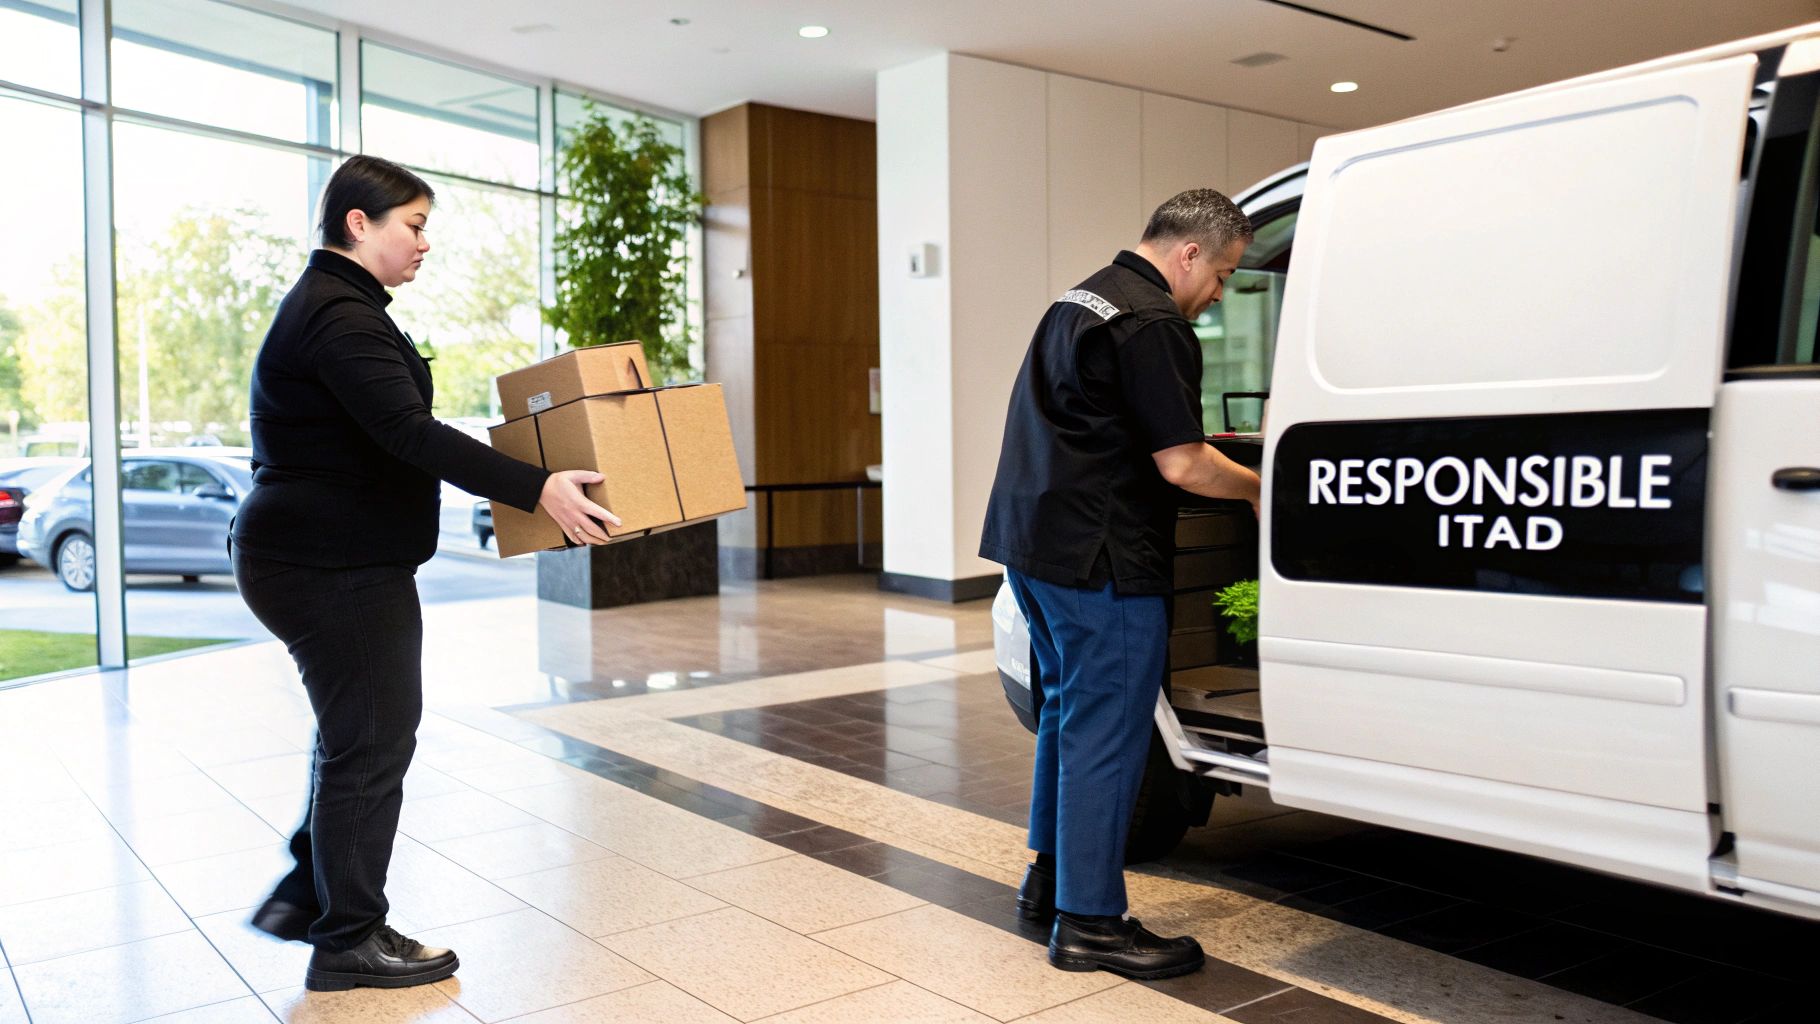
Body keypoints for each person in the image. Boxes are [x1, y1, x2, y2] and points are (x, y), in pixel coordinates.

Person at [230, 154, 618, 992]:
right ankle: (349, 941)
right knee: (371, 740)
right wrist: (535, 486)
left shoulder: (343, 308)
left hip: (320, 556)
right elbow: (411, 433)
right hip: (332, 564)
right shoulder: (339, 314)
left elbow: (392, 428)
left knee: (355, 738)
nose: (424, 243)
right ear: (357, 223)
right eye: (413, 224)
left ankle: (313, 898)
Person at [979, 189, 1261, 979]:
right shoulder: (1155, 323)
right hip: (1102, 556)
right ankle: (1093, 923)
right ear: (1189, 254)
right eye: (1224, 274)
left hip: (1035, 544)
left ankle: (1050, 884)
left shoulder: (1083, 295)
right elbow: (1184, 462)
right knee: (1110, 731)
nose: (1218, 295)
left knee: (1070, 716)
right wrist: (1265, 491)